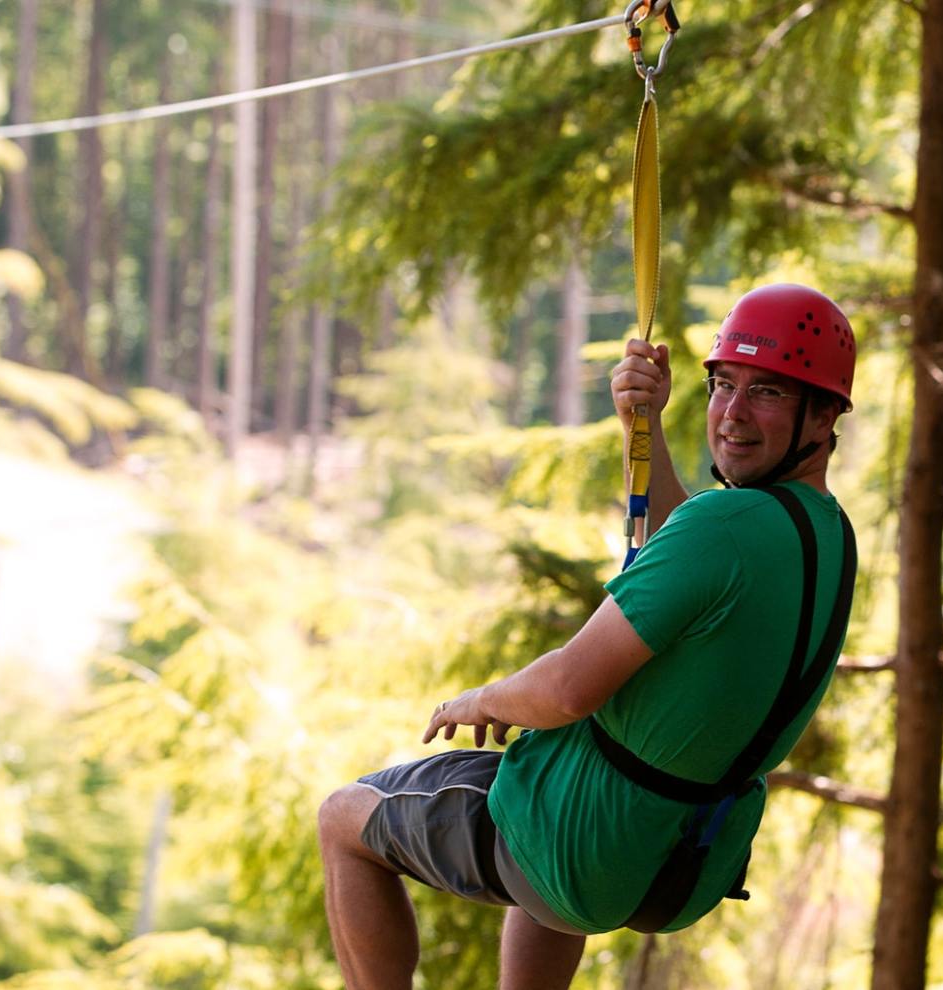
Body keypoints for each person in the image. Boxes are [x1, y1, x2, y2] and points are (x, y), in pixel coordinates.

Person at [318, 283, 858, 990]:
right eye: (724, 385)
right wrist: (643, 425)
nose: (731, 414)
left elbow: (570, 689)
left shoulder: (726, 527)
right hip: (685, 860)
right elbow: (689, 564)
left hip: (586, 843)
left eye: (767, 393)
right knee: (546, 858)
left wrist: (481, 700)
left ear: (822, 415)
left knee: (343, 821)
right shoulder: (825, 533)